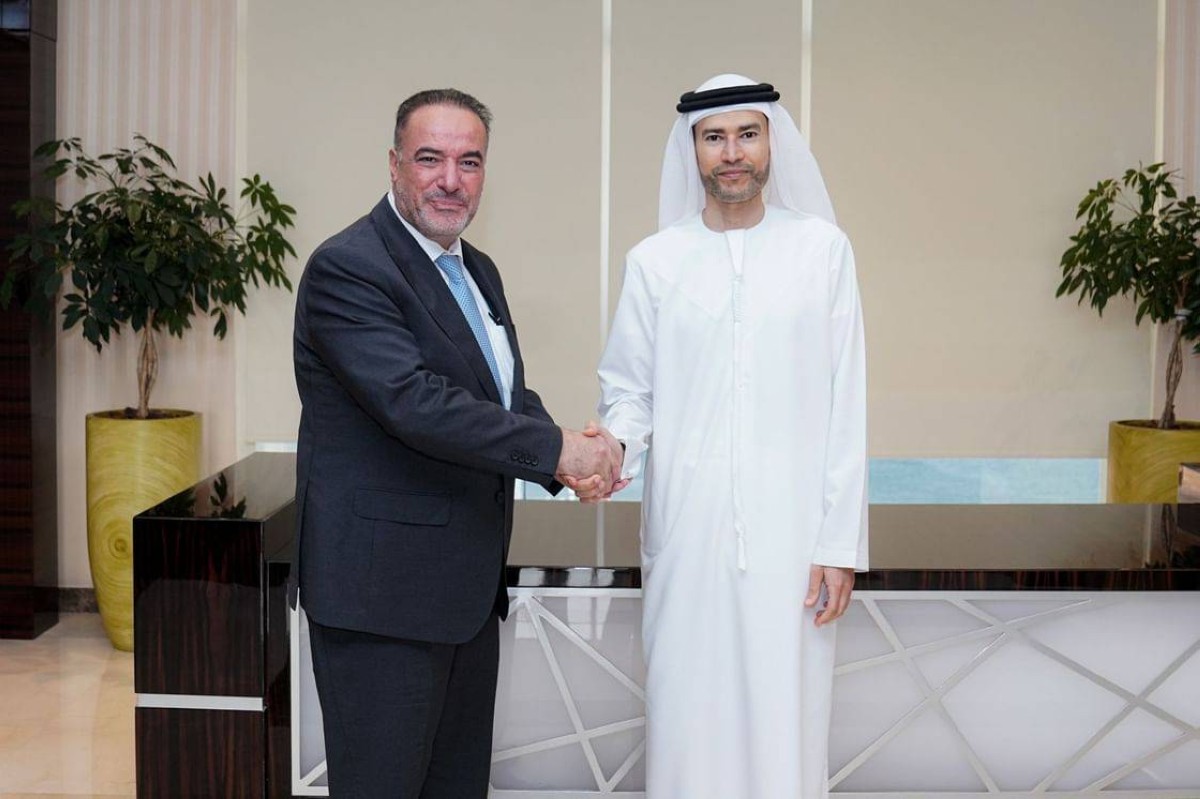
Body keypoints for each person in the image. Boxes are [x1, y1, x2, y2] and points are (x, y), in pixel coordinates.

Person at [292, 88, 621, 798]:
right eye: (429, 159)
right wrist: (559, 451)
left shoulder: (476, 269)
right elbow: (417, 405)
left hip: (463, 594)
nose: (450, 179)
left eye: (469, 162)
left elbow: (499, 395)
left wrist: (572, 460)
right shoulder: (349, 267)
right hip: (382, 600)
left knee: (457, 786)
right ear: (393, 164)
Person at [596, 74, 869, 798]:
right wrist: (610, 450)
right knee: (688, 720)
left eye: (747, 134)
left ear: (772, 141)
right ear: (692, 150)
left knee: (787, 722)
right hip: (687, 539)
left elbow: (847, 403)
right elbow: (630, 393)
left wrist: (839, 544)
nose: (732, 153)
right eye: (714, 137)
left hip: (795, 545)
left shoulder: (822, 251)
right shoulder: (655, 261)